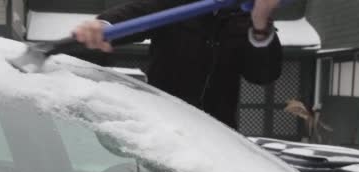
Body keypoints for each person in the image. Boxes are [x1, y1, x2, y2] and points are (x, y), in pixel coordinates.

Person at [73, 0, 283, 129]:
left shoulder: (248, 16)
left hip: (220, 139)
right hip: (165, 134)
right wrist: (102, 26)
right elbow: (138, 13)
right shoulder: (175, 5)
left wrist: (260, 25)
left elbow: (263, 74)